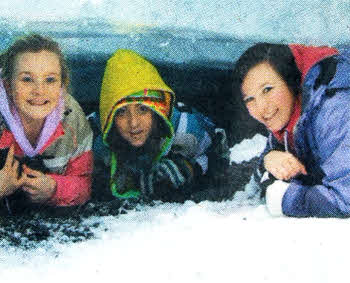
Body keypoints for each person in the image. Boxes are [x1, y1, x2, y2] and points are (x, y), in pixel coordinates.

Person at [94, 49, 230, 202]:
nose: (133, 123)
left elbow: (218, 148)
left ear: (157, 111)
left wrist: (190, 169)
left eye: (143, 109)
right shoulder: (96, 135)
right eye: (121, 112)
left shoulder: (187, 130)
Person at [232, 42, 350, 218]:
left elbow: (345, 201)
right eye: (250, 99)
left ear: (291, 82)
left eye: (267, 89)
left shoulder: (334, 109)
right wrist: (270, 158)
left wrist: (284, 198)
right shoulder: (291, 118)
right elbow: (264, 169)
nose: (262, 108)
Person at [0, 34, 93, 214]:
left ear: (61, 85)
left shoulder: (72, 119)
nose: (39, 91)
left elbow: (85, 185)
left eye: (50, 80)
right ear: (9, 86)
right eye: (27, 79)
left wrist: (55, 189)